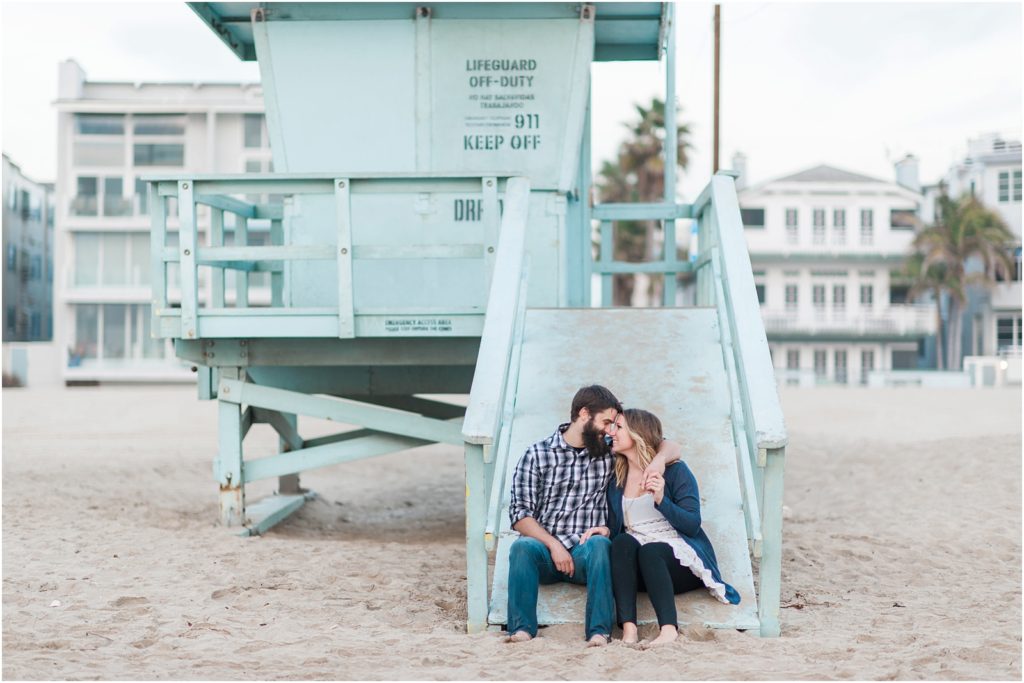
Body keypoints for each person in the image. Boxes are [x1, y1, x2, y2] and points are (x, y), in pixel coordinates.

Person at [504, 385, 681, 647]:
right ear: (584, 414)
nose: (610, 430)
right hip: (546, 551)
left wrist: (658, 461)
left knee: (601, 545)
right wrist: (553, 545)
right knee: (520, 546)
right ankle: (521, 629)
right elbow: (519, 514)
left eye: (614, 425)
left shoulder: (608, 453)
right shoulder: (537, 455)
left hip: (586, 552)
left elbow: (668, 444)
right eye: (606, 422)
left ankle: (598, 632)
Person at [605, 408, 740, 648]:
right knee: (622, 542)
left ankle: (668, 630)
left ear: (637, 434)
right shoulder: (617, 474)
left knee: (652, 551)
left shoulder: (676, 471)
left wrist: (660, 500)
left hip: (677, 563)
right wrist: (604, 530)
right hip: (640, 566)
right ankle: (629, 630)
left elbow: (691, 524)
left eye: (619, 427)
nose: (611, 432)